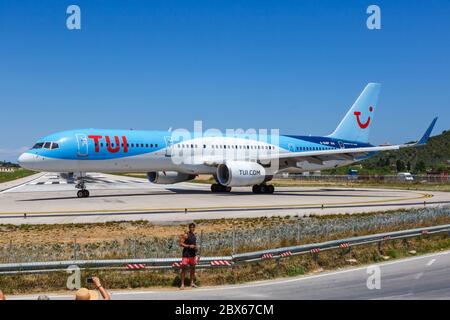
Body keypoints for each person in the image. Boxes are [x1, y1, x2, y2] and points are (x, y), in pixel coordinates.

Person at [179, 223, 199, 289]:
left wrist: (196, 249)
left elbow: (194, 245)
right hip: (186, 255)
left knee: (193, 269)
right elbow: (181, 243)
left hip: (193, 255)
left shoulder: (194, 236)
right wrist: (188, 246)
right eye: (191, 227)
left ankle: (192, 283)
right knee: (183, 269)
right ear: (189, 228)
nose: (192, 228)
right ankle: (182, 284)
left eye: (193, 227)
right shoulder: (186, 235)